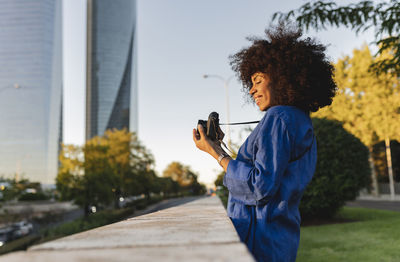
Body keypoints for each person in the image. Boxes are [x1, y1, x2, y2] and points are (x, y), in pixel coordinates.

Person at [192, 24, 336, 262]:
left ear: (282, 77)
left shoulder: (278, 117)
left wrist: (217, 154)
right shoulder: (299, 120)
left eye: (257, 80)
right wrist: (220, 148)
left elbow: (259, 187)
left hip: (258, 239)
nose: (251, 90)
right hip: (280, 236)